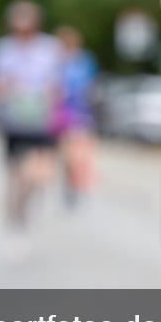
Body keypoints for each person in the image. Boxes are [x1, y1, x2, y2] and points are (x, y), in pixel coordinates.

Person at [0, 0, 63, 226]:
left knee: (39, 172)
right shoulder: (1, 50)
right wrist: (3, 90)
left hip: (41, 121)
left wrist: (52, 103)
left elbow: (57, 84)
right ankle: (15, 212)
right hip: (12, 121)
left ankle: (23, 203)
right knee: (15, 171)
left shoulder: (50, 48)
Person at [52, 25, 98, 207]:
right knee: (67, 154)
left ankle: (76, 183)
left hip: (82, 112)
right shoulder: (57, 61)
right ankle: (69, 181)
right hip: (63, 112)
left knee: (80, 153)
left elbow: (91, 84)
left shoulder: (85, 60)